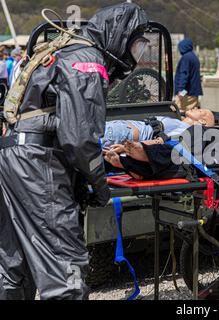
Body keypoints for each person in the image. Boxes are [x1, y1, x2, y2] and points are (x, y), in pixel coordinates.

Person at [0, 3, 150, 300]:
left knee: (13, 265)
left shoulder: (65, 49)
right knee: (65, 269)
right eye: (136, 45)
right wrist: (98, 185)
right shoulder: (87, 61)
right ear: (119, 36)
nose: (137, 54)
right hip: (39, 164)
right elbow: (81, 138)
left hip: (13, 157)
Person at [102, 108, 215, 150]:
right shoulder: (180, 123)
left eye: (200, 111)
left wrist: (126, 148)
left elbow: (159, 142)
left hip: (121, 133)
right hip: (120, 128)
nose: (196, 108)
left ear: (202, 121)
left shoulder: (185, 131)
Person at [174, 38, 203, 112]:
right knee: (192, 113)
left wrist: (180, 90)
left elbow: (184, 74)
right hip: (194, 92)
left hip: (186, 92)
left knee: (179, 112)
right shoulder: (194, 57)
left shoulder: (186, 58)